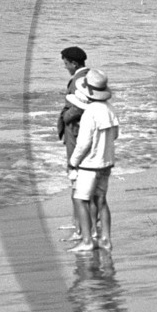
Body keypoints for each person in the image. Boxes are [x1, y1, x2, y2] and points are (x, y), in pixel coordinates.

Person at [67, 70, 118, 251]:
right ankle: (106, 239)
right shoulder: (110, 109)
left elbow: (83, 143)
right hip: (107, 162)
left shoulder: (89, 112)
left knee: (80, 199)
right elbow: (116, 135)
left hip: (89, 164)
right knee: (101, 200)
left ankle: (87, 240)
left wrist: (73, 162)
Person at [57, 45, 90, 241]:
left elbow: (79, 108)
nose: (65, 67)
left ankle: (79, 225)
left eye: (65, 63)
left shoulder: (78, 79)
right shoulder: (87, 76)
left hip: (76, 132)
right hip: (80, 131)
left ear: (73, 63)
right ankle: (77, 221)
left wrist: (65, 117)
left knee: (76, 176)